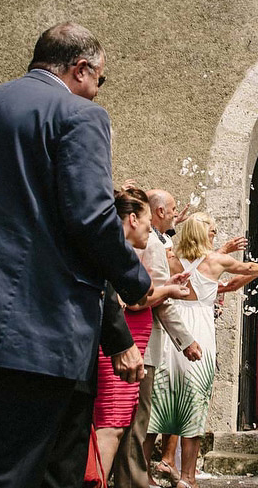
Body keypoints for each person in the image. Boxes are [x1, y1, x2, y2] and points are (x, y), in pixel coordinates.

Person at [0, 23, 153, 488]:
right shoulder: (78, 116)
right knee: (10, 473)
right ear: (81, 69)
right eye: (100, 79)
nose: (97, 91)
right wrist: (137, 280)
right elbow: (91, 219)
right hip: (32, 325)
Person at [148, 212, 258, 488]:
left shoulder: (169, 258)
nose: (215, 235)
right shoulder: (217, 261)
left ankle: (140, 474)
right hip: (200, 332)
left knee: (159, 399)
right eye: (212, 230)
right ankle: (187, 477)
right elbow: (245, 270)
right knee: (195, 401)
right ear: (200, 232)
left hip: (173, 328)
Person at [93, 188, 194, 482]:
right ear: (136, 218)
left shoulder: (153, 241)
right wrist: (170, 293)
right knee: (121, 424)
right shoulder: (145, 245)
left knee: (125, 423)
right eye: (149, 216)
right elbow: (137, 297)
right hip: (128, 343)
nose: (151, 225)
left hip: (131, 340)